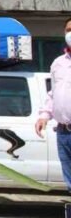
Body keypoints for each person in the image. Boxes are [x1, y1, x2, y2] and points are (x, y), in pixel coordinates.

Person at [36, 17, 71, 193]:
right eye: (68, 30)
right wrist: (44, 115)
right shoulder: (58, 63)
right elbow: (54, 93)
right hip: (64, 131)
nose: (70, 34)